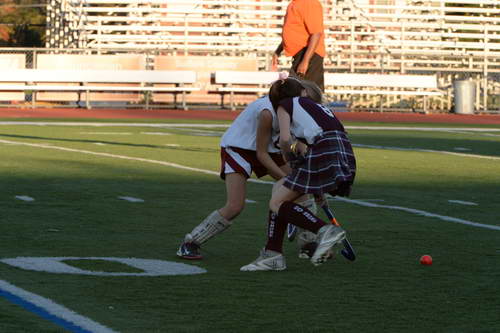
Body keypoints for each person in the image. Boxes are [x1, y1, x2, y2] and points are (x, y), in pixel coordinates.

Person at [176, 76, 320, 260]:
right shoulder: (267, 112)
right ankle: (190, 242)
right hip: (239, 148)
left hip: (268, 148)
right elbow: (261, 154)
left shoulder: (293, 109)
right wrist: (287, 181)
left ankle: (308, 244)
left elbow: (295, 145)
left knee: (303, 190)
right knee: (235, 205)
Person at [240, 77, 356, 271]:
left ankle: (324, 230)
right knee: (280, 191)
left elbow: (285, 140)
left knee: (277, 203)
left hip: (324, 148)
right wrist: (317, 190)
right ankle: (272, 254)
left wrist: (289, 158)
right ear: (302, 91)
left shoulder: (286, 104)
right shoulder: (315, 108)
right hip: (342, 149)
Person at [271, 0, 326, 91]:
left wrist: (305, 61)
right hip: (299, 55)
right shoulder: (294, 3)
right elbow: (294, 31)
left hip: (309, 54)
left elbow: (316, 34)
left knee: (310, 94)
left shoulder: (309, 3)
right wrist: (278, 51)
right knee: (296, 92)